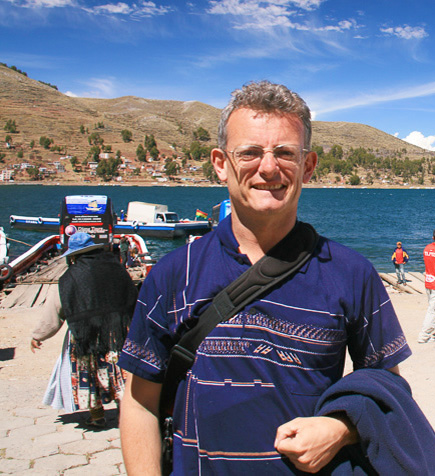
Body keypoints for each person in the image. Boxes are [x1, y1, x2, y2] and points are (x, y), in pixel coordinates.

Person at [117, 81, 412, 474]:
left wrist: (341, 428)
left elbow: (389, 390)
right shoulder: (173, 274)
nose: (269, 167)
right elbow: (139, 403)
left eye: (285, 153)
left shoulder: (351, 274)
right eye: (250, 152)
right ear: (221, 163)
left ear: (308, 166)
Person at [31, 232, 137, 428]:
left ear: (73, 256)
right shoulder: (117, 269)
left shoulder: (68, 279)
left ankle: (96, 415)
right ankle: (126, 413)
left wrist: (38, 335)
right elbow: (132, 298)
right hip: (119, 332)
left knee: (90, 371)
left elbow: (55, 311)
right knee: (119, 372)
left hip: (86, 334)